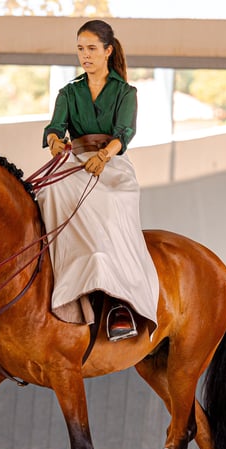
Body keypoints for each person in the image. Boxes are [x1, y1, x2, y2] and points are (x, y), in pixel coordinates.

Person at [36, 19, 160, 342]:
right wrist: (54, 144)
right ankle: (58, 281)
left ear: (107, 51)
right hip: (75, 161)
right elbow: (54, 127)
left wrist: (103, 156)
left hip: (112, 164)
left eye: (91, 49)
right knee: (47, 192)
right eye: (80, 49)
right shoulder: (69, 92)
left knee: (109, 201)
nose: (85, 56)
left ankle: (120, 301)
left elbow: (124, 133)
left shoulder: (125, 92)